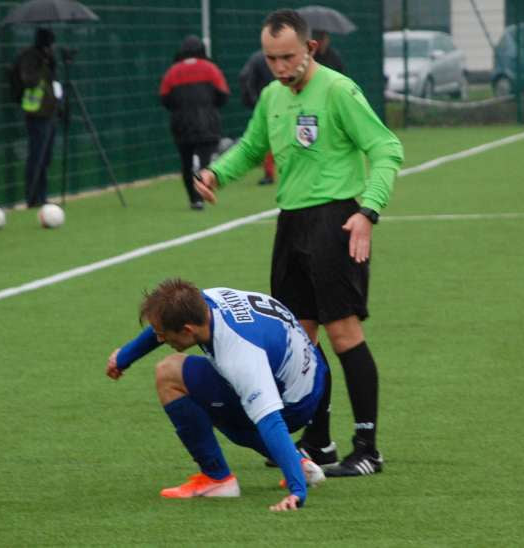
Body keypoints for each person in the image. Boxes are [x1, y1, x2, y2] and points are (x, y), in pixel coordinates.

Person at [194, 9, 403, 477]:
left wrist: (367, 212)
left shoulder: (338, 90)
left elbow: (387, 148)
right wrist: (215, 173)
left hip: (336, 219)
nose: (281, 67)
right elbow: (251, 148)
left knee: (344, 333)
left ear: (310, 48)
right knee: (299, 341)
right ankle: (318, 442)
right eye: (272, 59)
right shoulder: (271, 96)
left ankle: (367, 448)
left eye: (288, 56)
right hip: (290, 224)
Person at [105, 278, 328, 511]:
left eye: (164, 335)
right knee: (227, 412)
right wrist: (125, 357)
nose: (160, 339)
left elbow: (271, 421)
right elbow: (164, 323)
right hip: (312, 377)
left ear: (187, 330)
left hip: (292, 404)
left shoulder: (239, 355)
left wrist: (297, 491)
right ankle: (299, 463)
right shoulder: (204, 301)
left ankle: (217, 479)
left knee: (168, 373)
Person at [159, 35, 229, 210]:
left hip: (181, 125)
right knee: (204, 163)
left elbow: (165, 99)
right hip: (207, 124)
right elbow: (223, 95)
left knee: (186, 162)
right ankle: (202, 195)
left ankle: (193, 199)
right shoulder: (211, 69)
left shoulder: (172, 72)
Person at [12, 28, 59, 208]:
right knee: (36, 155)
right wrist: (42, 64)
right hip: (36, 112)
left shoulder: (48, 59)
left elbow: (53, 81)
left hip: (49, 110)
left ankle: (42, 195)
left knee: (45, 157)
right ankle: (32, 197)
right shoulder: (31, 57)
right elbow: (29, 80)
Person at [237, 50, 275, 185]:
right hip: (284, 99)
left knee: (265, 137)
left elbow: (244, 77)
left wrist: (252, 100)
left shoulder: (256, 58)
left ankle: (270, 172)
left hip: (263, 101)